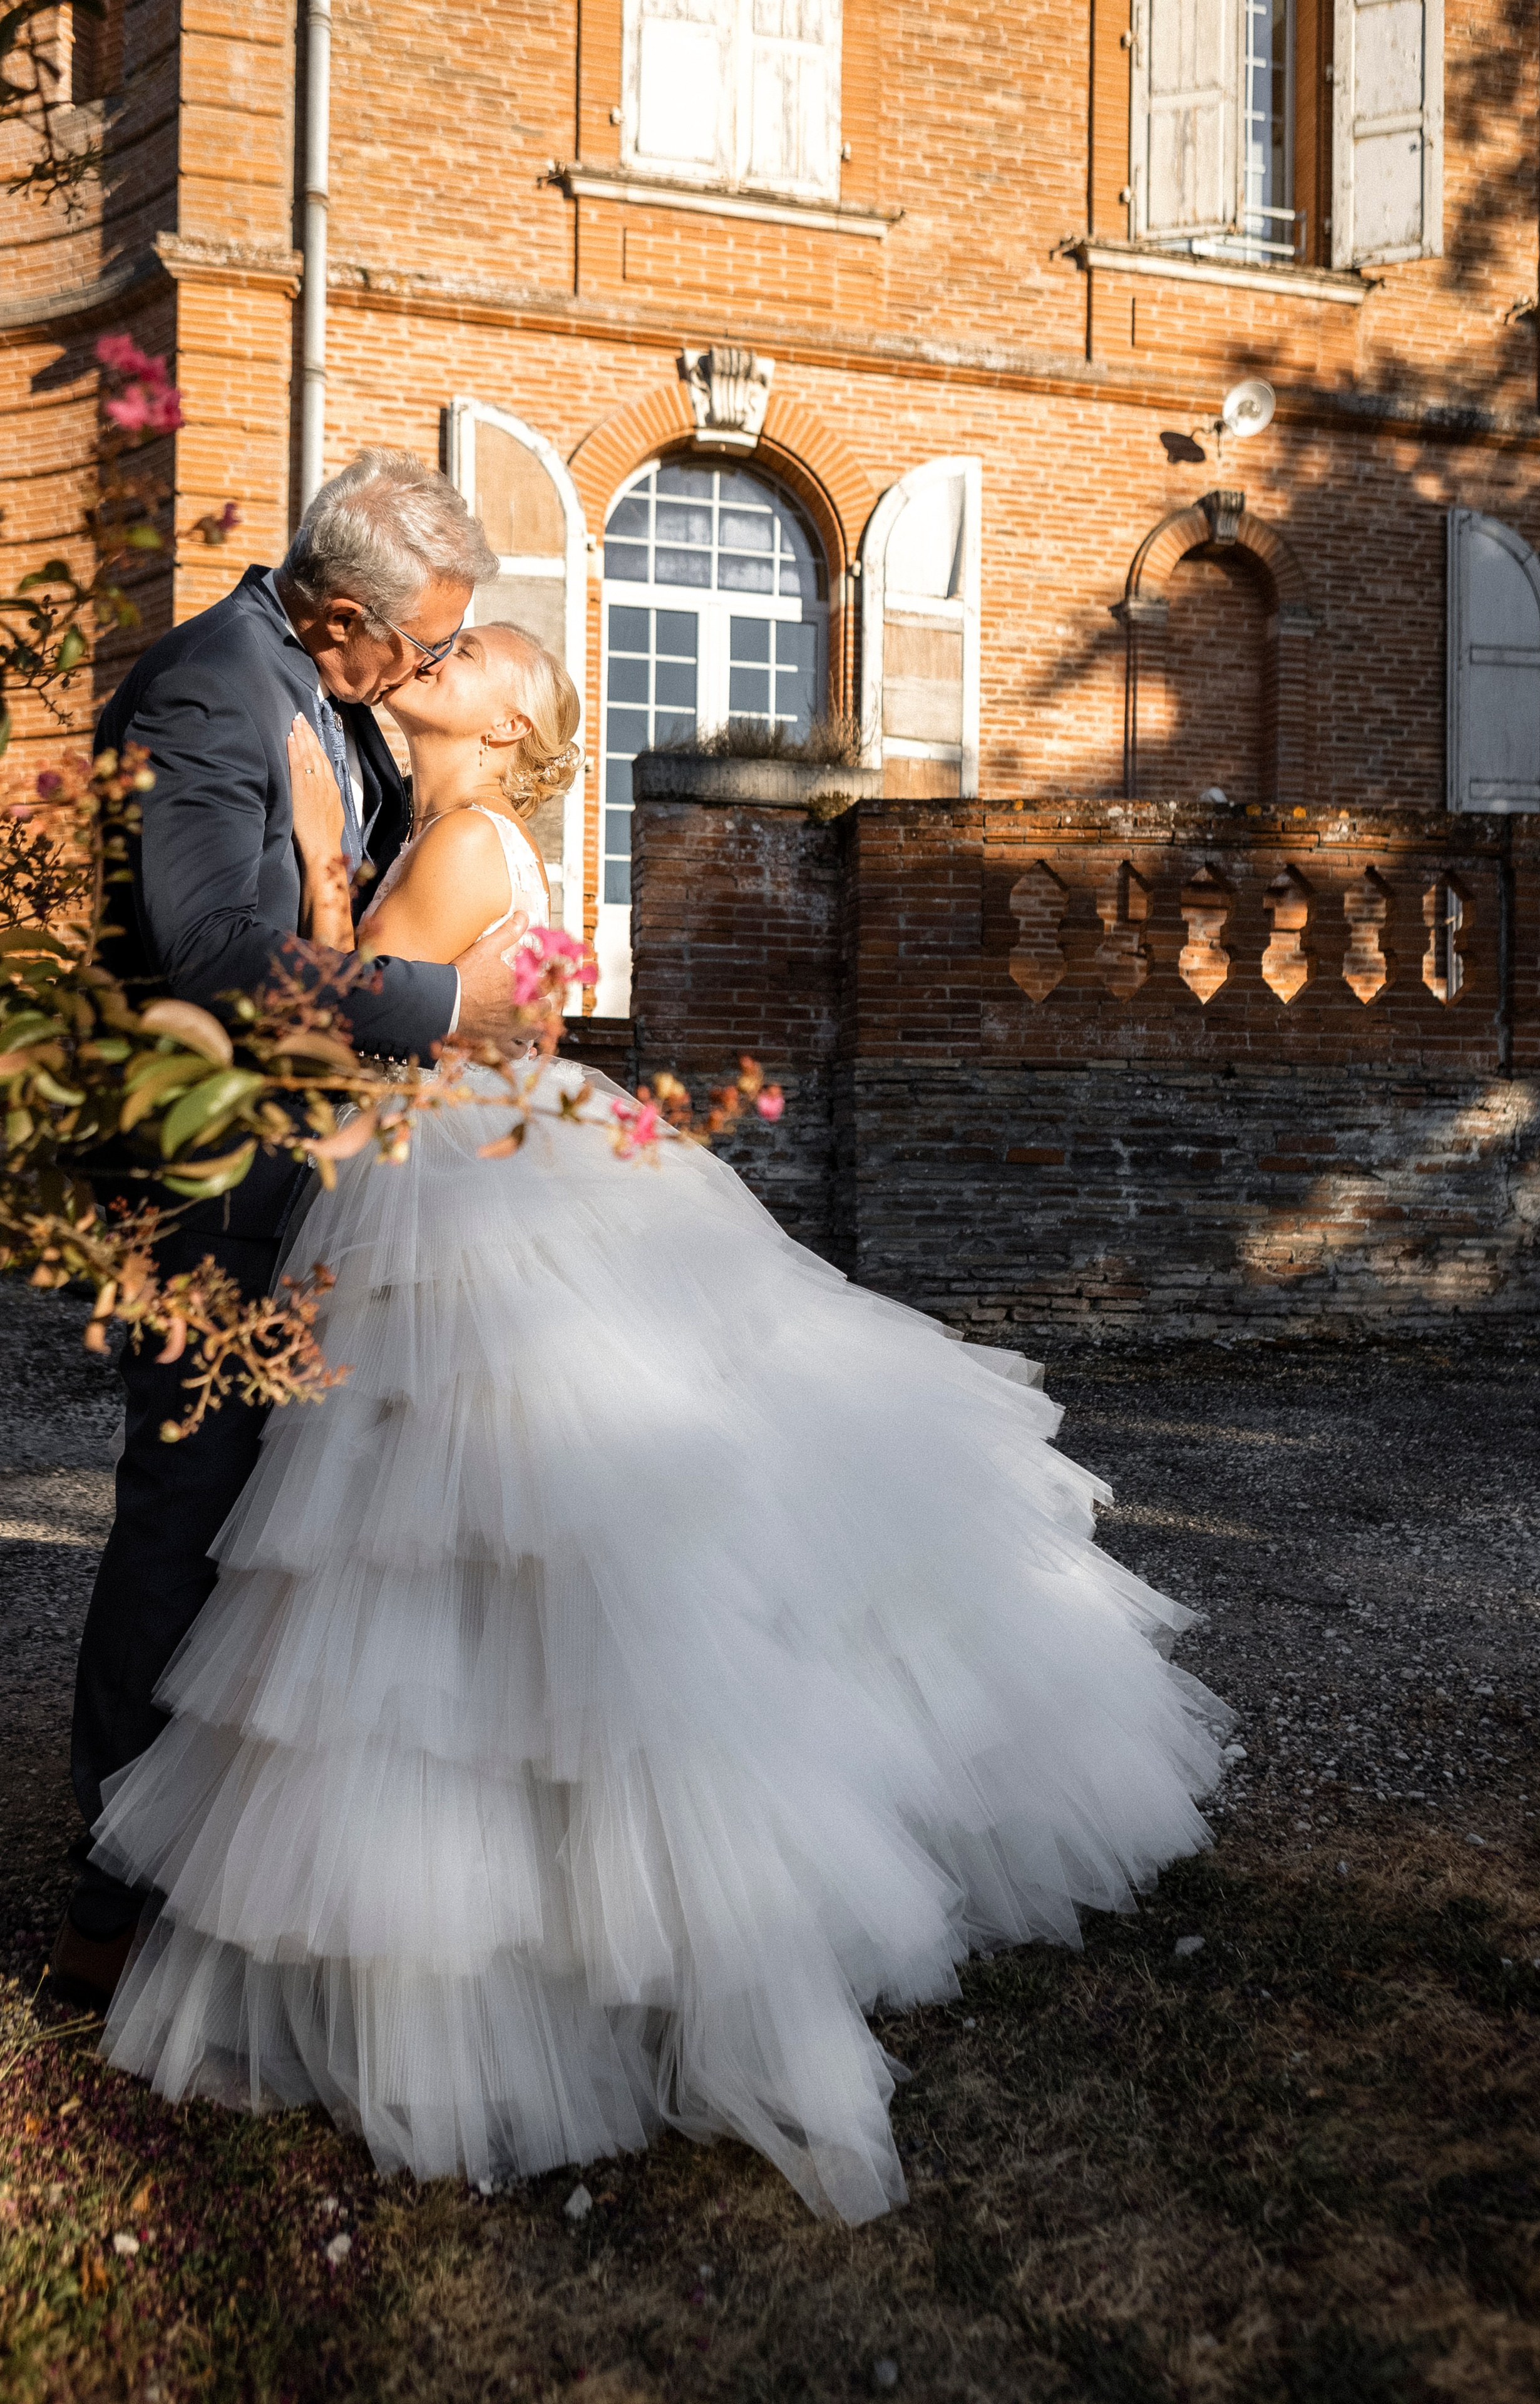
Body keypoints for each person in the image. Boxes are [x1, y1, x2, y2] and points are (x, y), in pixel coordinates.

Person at [90, 621, 1229, 2224]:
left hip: (448, 1200)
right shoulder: (481, 838)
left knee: (451, 1531)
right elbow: (479, 1020)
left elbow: (331, 1020)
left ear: (507, 723)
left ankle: (526, 1933)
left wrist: (305, 856)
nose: (445, 647)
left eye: (477, 651)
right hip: (499, 1162)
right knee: (497, 1534)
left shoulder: (462, 841)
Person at [54, 451, 530, 2007]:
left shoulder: (328, 699)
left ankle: (234, 1858)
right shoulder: (212, 689)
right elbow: (208, 945)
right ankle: (111, 1893)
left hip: (318, 1186)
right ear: (342, 621)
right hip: (214, 1184)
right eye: (423, 646)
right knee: (181, 1524)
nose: (431, 672)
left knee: (281, 1537)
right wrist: (450, 1005)